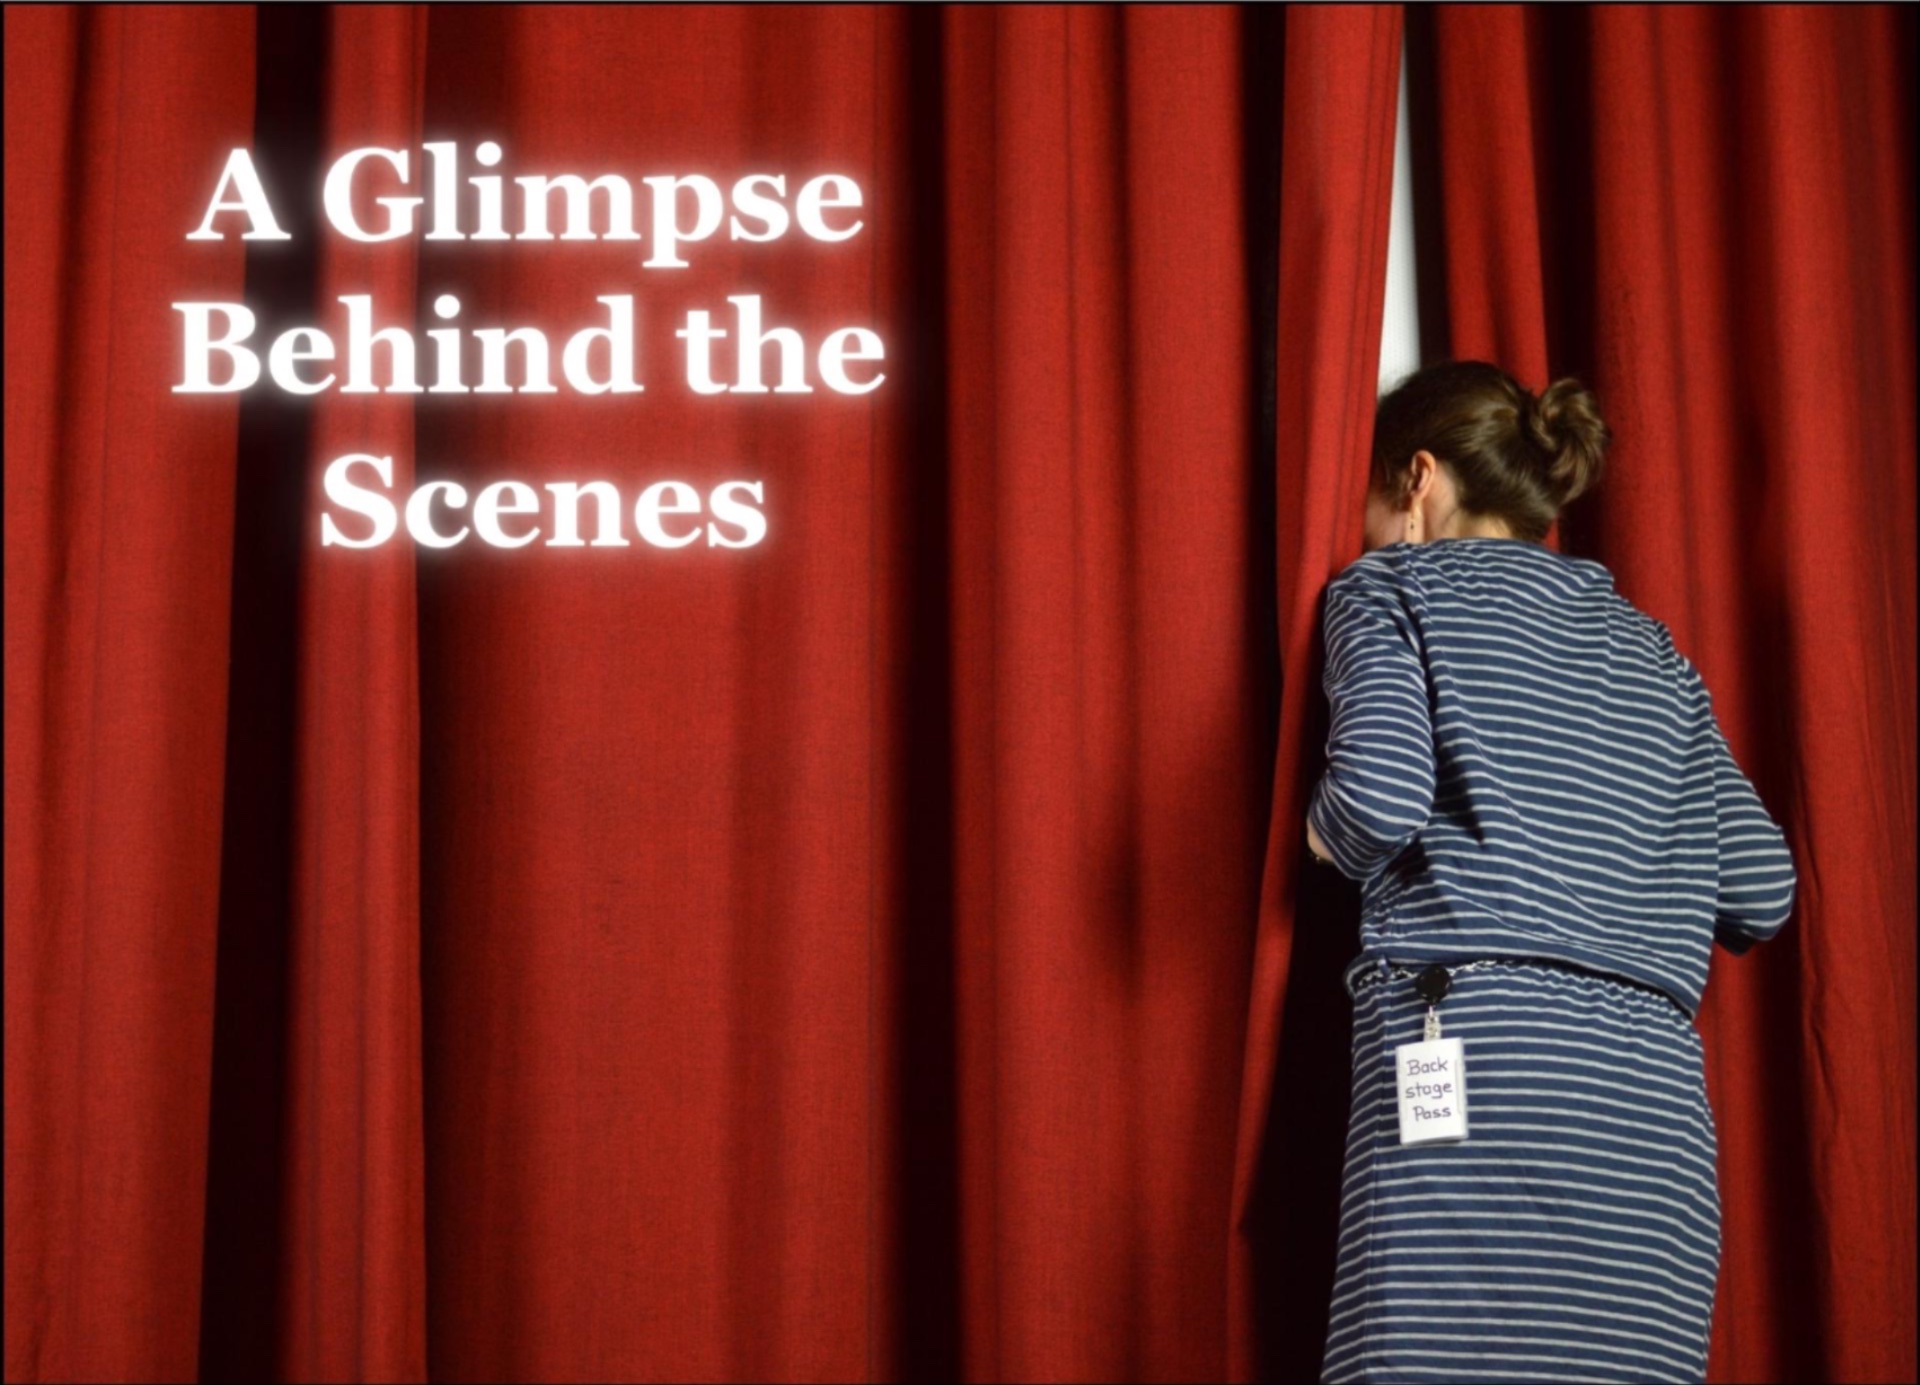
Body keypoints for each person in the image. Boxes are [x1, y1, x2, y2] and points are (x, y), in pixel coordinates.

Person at [1307, 361, 1798, 1384]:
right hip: (1652, 1104)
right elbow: (1764, 885)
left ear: (1418, 480)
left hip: (1483, 1059)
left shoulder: (1391, 586)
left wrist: (1316, 836)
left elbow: (1377, 800)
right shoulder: (1651, 648)